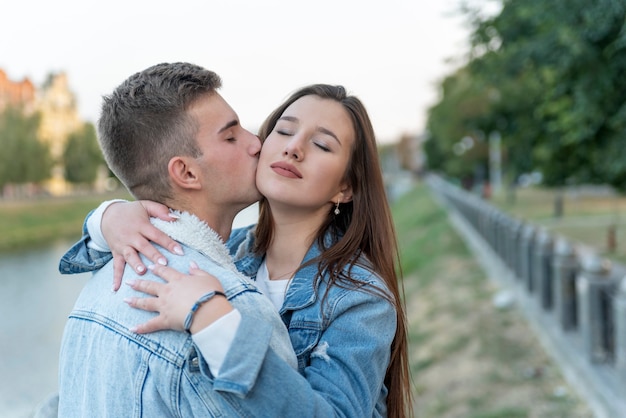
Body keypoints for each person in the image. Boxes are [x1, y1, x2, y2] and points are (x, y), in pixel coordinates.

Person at [63, 84, 413, 417]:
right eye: (284, 131)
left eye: (321, 145)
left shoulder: (360, 299)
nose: (294, 148)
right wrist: (108, 217)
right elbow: (97, 257)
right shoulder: (225, 251)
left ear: (346, 187)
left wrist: (214, 323)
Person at [57, 62, 298, 417]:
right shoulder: (230, 306)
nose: (256, 143)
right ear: (186, 172)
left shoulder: (95, 291)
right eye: (231, 136)